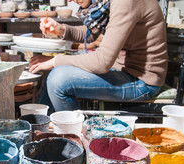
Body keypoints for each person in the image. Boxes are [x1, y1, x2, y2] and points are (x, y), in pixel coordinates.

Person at [29, 0, 168, 113]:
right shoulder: (106, 4)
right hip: (122, 71)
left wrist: (55, 61)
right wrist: (61, 30)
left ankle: (76, 139)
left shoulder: (125, 2)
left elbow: (102, 62)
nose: (70, 0)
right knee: (51, 76)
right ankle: (38, 131)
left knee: (58, 80)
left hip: (142, 82)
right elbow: (92, 32)